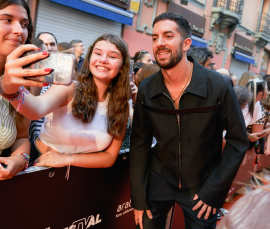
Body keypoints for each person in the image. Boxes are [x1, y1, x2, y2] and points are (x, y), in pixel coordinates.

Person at [129, 12, 249, 229]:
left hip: (202, 184)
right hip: (159, 179)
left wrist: (215, 189)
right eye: (155, 38)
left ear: (186, 44)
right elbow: (139, 144)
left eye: (168, 36)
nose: (160, 43)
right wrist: (138, 197)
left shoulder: (218, 86)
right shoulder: (147, 88)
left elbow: (238, 141)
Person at [1, 34, 130, 171]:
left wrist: (68, 158)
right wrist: (12, 90)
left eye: (112, 56)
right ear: (90, 58)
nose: (103, 60)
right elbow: (36, 109)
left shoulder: (121, 104)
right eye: (98, 53)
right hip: (41, 165)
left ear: (122, 66)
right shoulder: (70, 88)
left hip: (81, 171)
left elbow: (109, 156)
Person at [0, 0, 32, 179]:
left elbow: (21, 137)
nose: (19, 30)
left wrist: (19, 159)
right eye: (7, 20)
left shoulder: (22, 80)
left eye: (25, 24)